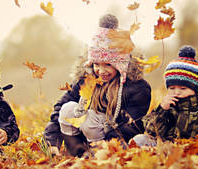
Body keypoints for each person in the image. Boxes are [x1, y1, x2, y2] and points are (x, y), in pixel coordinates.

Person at [44, 14, 151, 157]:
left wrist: (104, 149)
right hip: (84, 142)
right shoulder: (87, 80)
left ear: (121, 64)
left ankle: (97, 155)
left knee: (95, 121)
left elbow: (131, 127)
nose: (101, 71)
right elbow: (59, 110)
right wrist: (52, 142)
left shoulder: (137, 88)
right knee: (68, 108)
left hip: (115, 143)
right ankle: (78, 153)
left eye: (108, 64)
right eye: (96, 64)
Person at [133, 45, 198, 146]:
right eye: (172, 88)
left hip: (195, 149)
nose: (176, 92)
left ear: (195, 89)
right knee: (139, 139)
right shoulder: (167, 107)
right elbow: (151, 132)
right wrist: (162, 110)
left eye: (183, 88)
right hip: (167, 147)